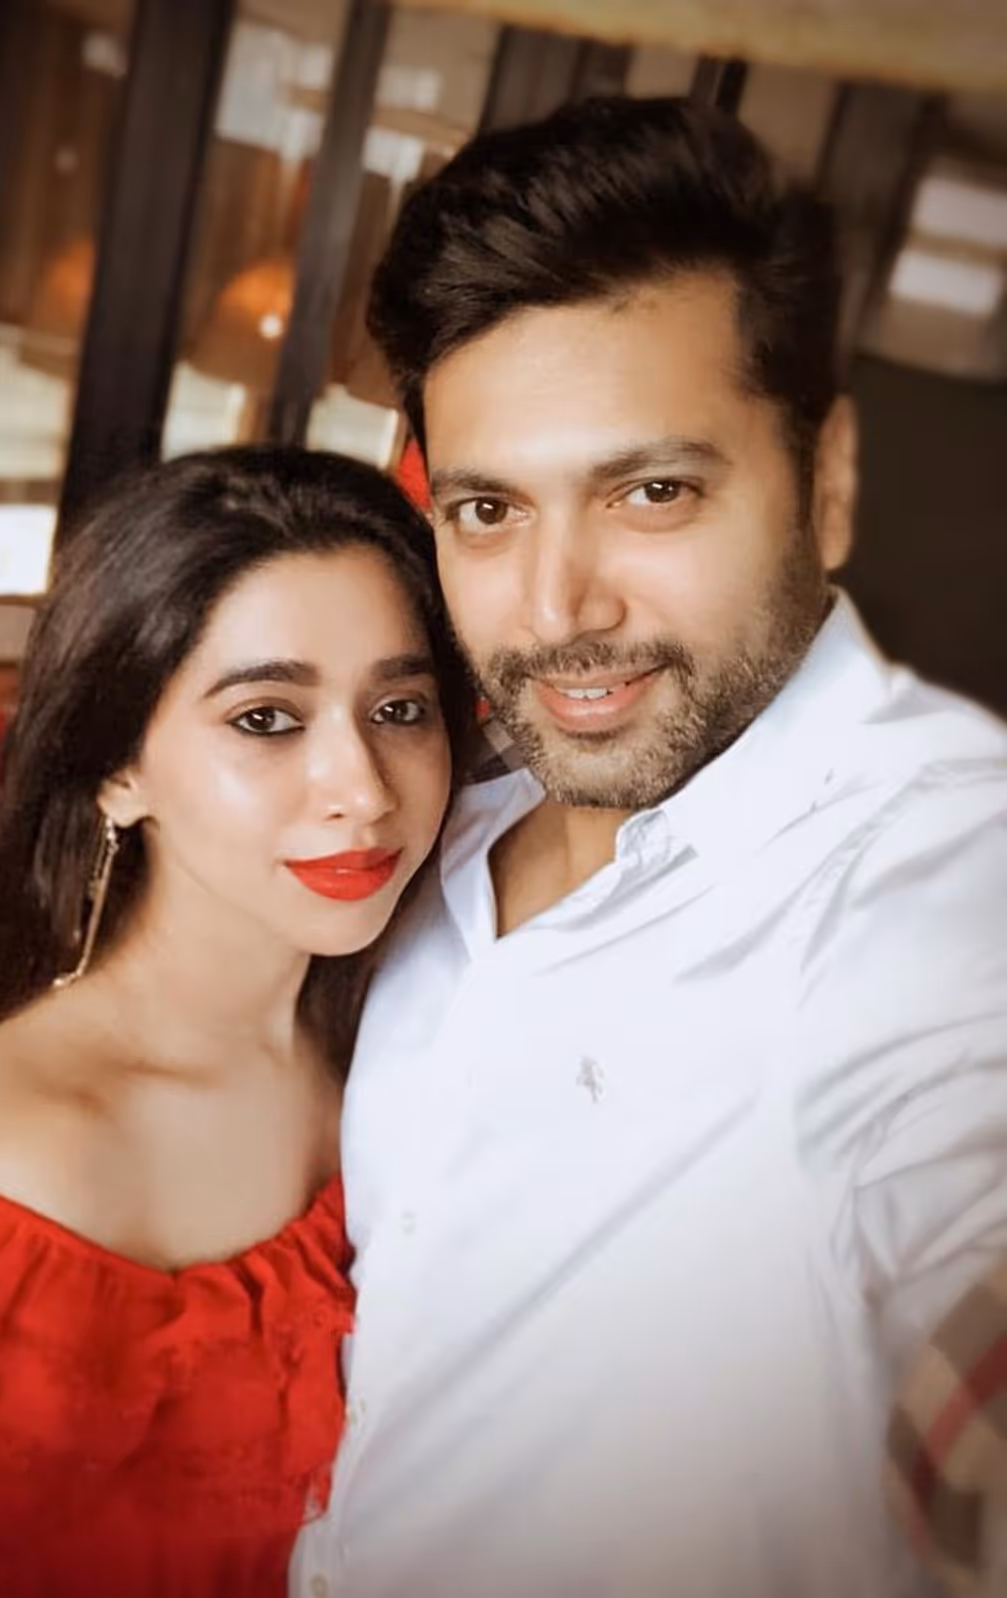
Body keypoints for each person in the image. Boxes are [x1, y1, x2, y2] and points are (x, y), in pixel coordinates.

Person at [290, 97, 1007, 1598]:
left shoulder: (934, 875)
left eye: (651, 491)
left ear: (826, 483)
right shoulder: (438, 831)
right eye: (488, 508)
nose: (558, 607)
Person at [0, 445, 470, 1598]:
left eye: (398, 707)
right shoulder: (32, 1164)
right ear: (118, 770)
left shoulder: (399, 1017)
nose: (363, 786)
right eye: (266, 716)